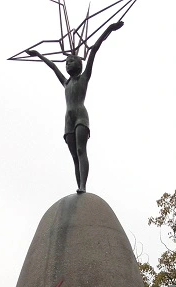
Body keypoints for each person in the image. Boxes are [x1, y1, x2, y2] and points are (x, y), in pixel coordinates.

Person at [27, 21, 123, 193]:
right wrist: (38, 54)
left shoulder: (84, 77)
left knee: (80, 150)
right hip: (68, 120)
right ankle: (79, 186)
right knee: (74, 157)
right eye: (67, 62)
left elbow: (94, 50)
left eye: (71, 61)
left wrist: (109, 28)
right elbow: (53, 67)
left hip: (80, 116)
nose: (67, 64)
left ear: (79, 64)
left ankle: (83, 186)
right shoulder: (66, 82)